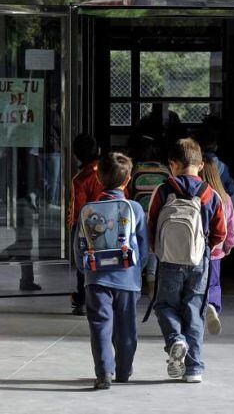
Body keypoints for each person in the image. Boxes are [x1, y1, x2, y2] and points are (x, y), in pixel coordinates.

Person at [145, 138, 227, 383]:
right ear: (200, 165)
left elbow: (150, 227)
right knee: (194, 311)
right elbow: (220, 232)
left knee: (164, 306)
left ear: (172, 164)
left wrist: (159, 251)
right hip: (198, 260)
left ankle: (175, 340)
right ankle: (194, 369)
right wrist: (204, 248)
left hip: (168, 260)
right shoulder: (209, 194)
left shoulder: (162, 190)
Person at [73, 152, 149, 390]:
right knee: (126, 327)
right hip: (127, 280)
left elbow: (78, 249)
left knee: (100, 326)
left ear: (98, 178)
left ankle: (104, 372)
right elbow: (144, 247)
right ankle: (124, 370)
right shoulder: (134, 208)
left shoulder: (88, 210)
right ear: (127, 181)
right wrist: (139, 271)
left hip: (96, 279)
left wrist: (85, 271)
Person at [199, 155, 234, 335]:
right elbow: (232, 225)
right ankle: (213, 305)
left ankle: (195, 312)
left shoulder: (196, 196)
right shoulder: (225, 198)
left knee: (195, 285)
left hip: (195, 251)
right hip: (216, 251)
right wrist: (228, 244)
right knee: (213, 283)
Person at [68, 134, 103, 316]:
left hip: (87, 228)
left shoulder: (80, 179)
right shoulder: (108, 170)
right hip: (109, 225)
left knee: (83, 265)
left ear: (76, 155)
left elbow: (79, 209)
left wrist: (73, 227)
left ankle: (82, 299)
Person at [196, 123, 234, 206]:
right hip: (221, 205)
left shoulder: (194, 166)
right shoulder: (223, 167)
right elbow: (231, 191)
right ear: (216, 147)